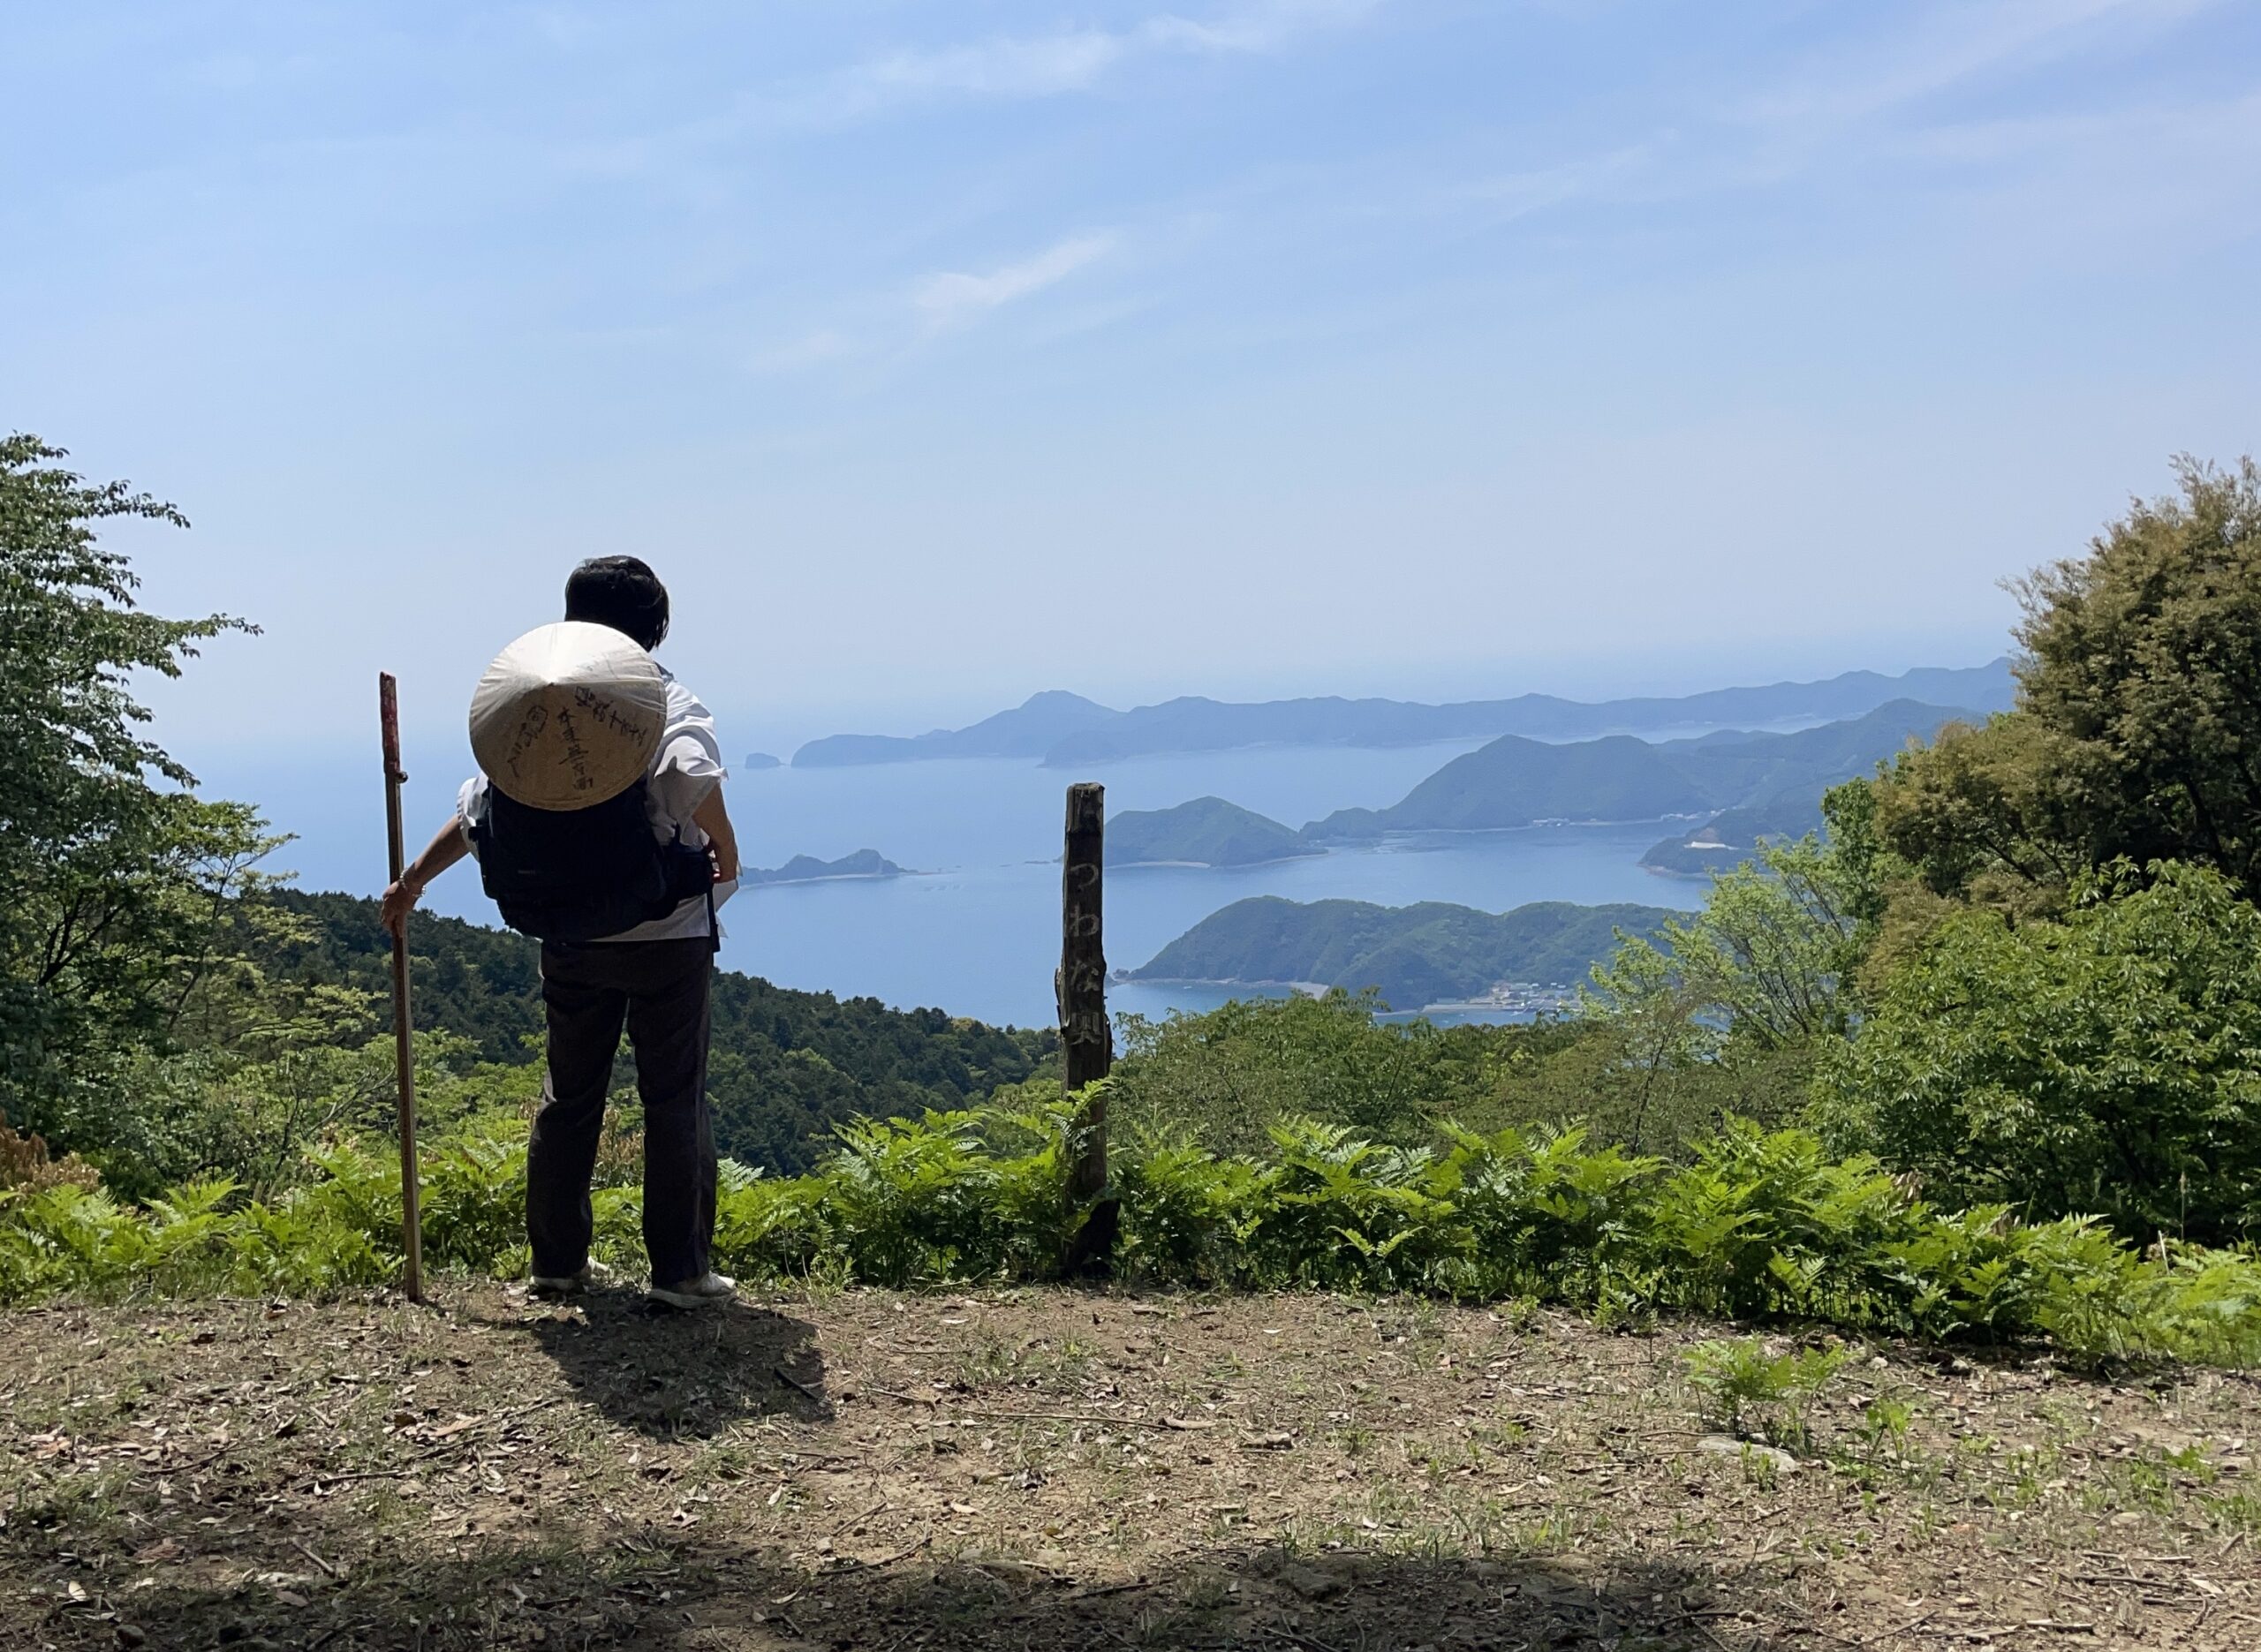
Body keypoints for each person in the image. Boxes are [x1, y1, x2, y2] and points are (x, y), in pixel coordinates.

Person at [379, 555, 743, 1309]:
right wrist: (726, 862)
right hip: (667, 933)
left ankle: (556, 1263)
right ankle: (680, 1271)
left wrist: (413, 879)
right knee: (673, 1097)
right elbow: (691, 781)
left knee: (568, 1095)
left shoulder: (534, 706)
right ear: (658, 627)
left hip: (570, 933)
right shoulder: (665, 698)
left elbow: (484, 809)